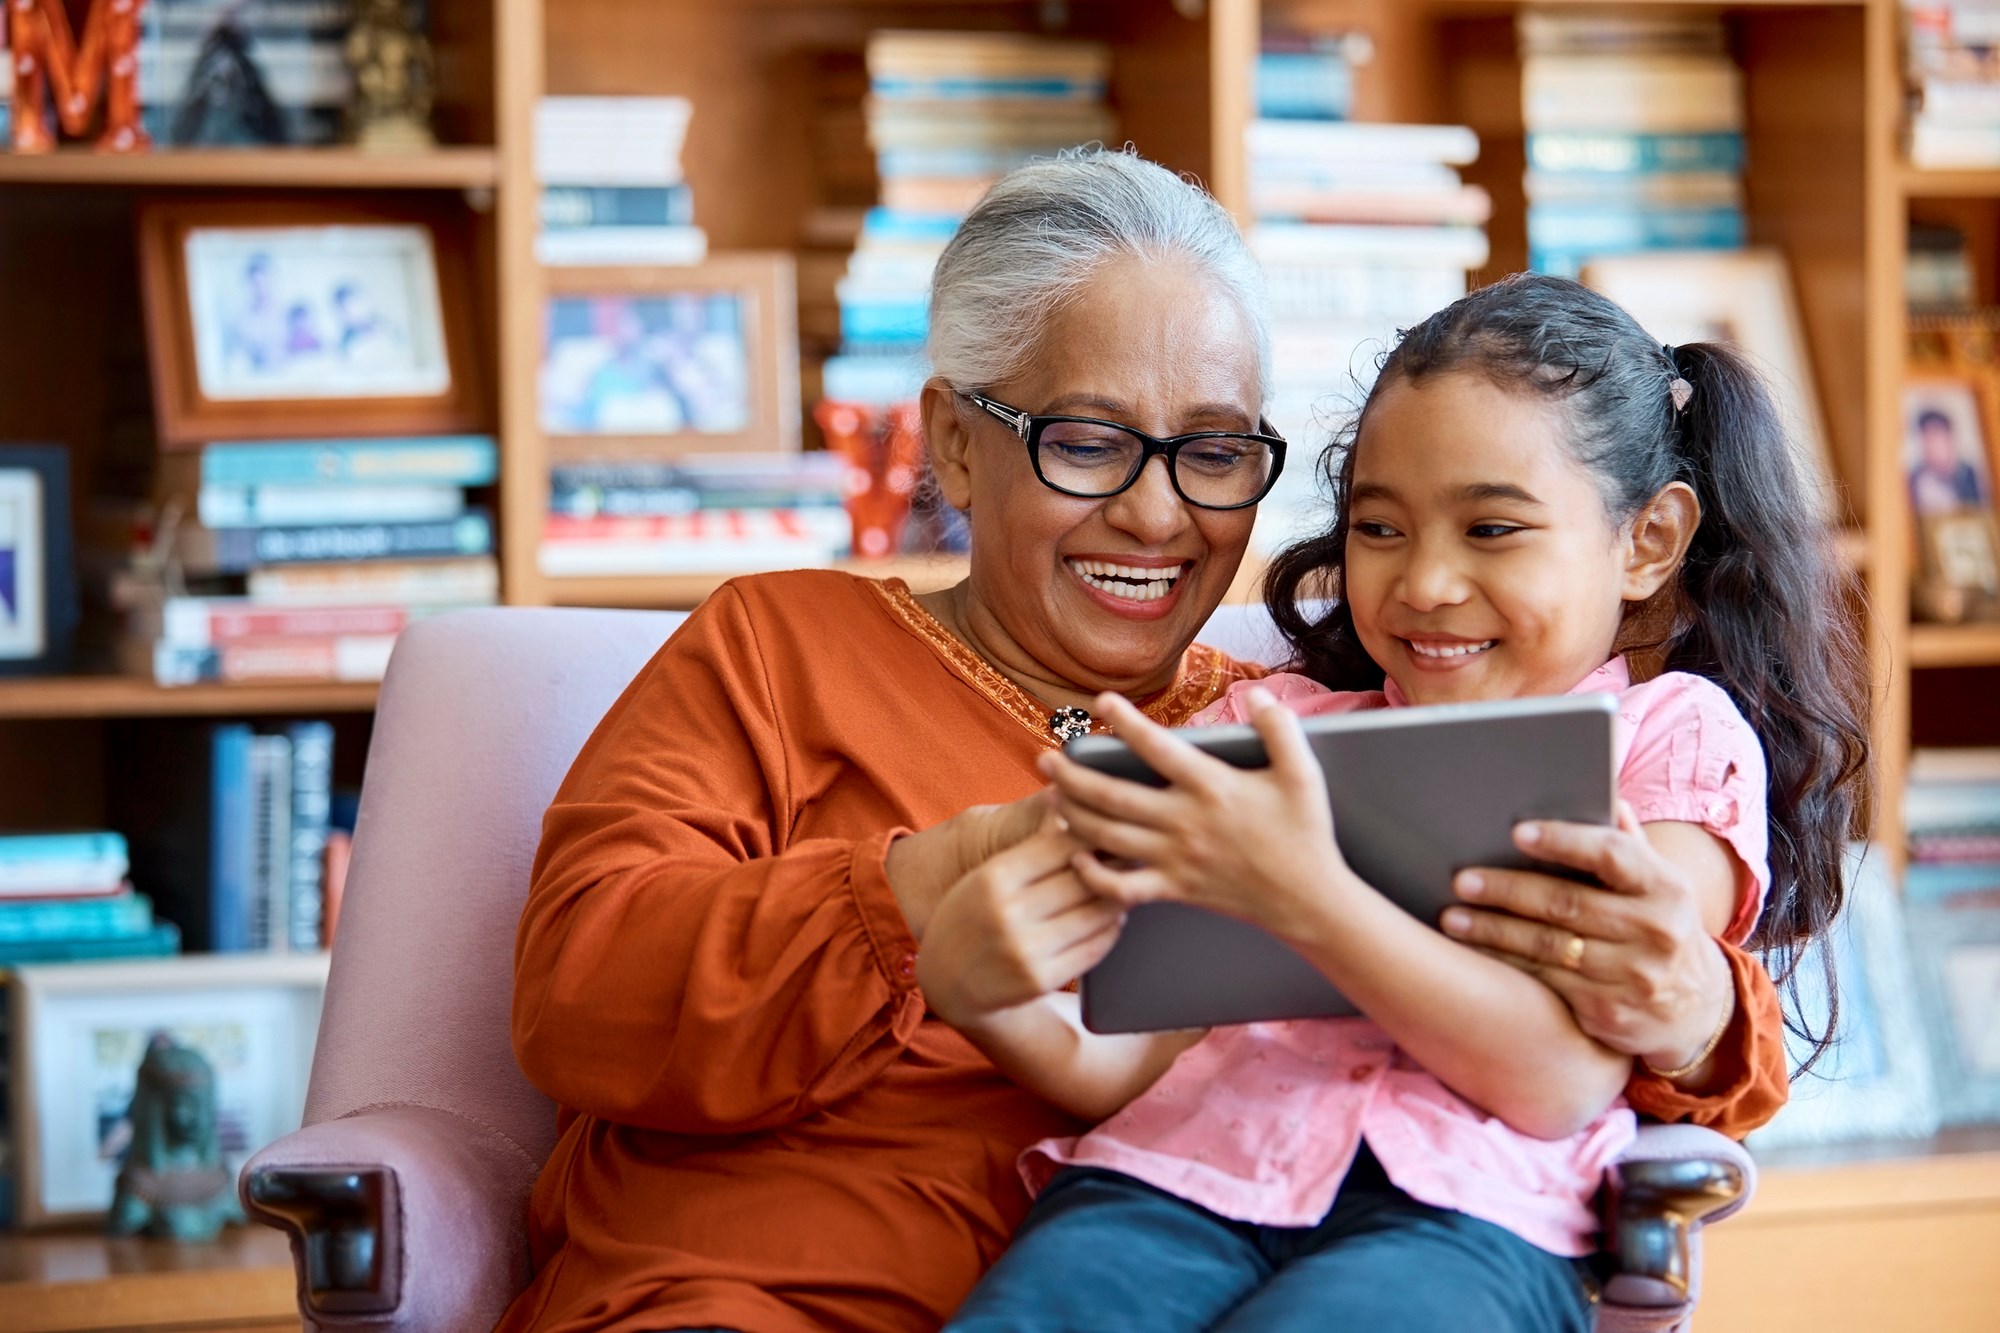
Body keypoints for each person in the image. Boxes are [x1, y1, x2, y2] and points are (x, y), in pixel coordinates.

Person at [502, 155, 1793, 1333]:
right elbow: (580, 993)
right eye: (1087, 443)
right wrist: (922, 892)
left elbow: (1617, 1032)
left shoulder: (1289, 734)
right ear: (952, 444)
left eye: (1214, 452)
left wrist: (1699, 1012)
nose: (1157, 514)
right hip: (749, 1294)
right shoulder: (779, 645)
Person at [942, 274, 1868, 1333]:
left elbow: (1557, 1077)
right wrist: (981, 994)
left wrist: (1307, 897)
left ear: (1647, 541)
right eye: (1379, 528)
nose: (1424, 582)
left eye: (1492, 528)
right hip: (1173, 1184)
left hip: (1469, 1220)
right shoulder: (1266, 725)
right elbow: (1131, 1063)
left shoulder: (1668, 736)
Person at [1908, 406, 1987, 516]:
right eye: (1925, 437)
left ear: (1949, 439)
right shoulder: (1916, 478)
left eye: (1935, 436)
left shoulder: (1969, 474)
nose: (1930, 445)